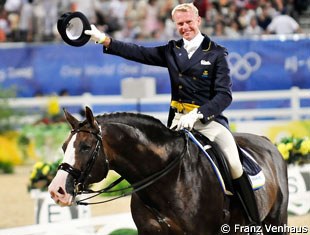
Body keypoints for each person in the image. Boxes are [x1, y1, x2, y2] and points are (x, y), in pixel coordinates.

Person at [85, 2, 261, 228]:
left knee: (234, 164)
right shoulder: (172, 50)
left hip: (209, 123)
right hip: (177, 124)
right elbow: (138, 52)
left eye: (188, 22)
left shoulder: (216, 53)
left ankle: (253, 220)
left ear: (198, 21)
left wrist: (199, 113)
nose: (185, 27)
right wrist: (105, 40)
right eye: (180, 24)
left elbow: (224, 96)